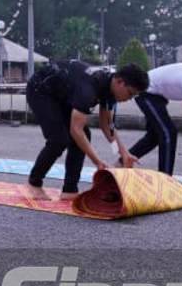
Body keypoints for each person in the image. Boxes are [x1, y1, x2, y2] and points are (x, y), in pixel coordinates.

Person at [26, 61, 150, 200]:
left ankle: (69, 190)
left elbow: (106, 126)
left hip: (62, 94)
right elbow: (75, 130)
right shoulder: (89, 88)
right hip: (41, 90)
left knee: (84, 134)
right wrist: (97, 162)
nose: (129, 99)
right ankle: (34, 183)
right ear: (120, 82)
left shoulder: (111, 88)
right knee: (58, 139)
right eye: (130, 93)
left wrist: (123, 152)